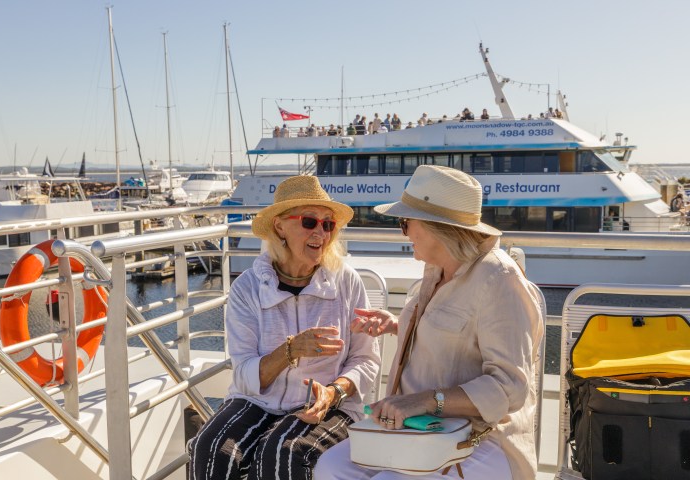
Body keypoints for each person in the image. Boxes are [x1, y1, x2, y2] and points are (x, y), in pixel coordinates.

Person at [315, 165, 544, 480]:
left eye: (405, 223)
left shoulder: (499, 281)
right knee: (329, 467)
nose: (404, 233)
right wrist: (398, 324)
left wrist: (424, 401)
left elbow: (510, 387)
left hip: (480, 439)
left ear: (438, 227)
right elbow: (454, 335)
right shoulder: (437, 271)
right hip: (421, 431)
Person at [188, 175, 380, 480]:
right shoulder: (248, 288)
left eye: (328, 225)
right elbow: (243, 373)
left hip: (327, 405)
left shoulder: (346, 282)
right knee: (210, 448)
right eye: (309, 222)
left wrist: (333, 393)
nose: (321, 232)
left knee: (283, 452)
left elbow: (366, 361)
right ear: (280, 227)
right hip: (257, 400)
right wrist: (290, 351)